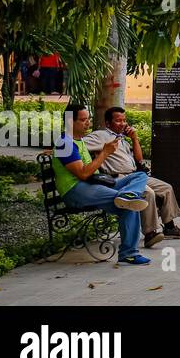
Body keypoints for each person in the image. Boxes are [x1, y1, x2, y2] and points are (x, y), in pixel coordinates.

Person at [52, 104, 152, 265]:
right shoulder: (65, 143)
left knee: (139, 176)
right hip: (76, 190)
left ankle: (128, 195)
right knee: (130, 206)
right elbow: (83, 173)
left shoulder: (78, 141)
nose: (88, 123)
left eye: (88, 119)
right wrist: (105, 153)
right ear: (71, 122)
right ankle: (128, 254)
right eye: (83, 120)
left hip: (94, 185)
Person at [83, 107, 180, 249]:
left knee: (166, 188)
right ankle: (149, 233)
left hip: (135, 175)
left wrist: (134, 138)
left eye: (124, 120)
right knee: (148, 193)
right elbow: (79, 143)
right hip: (119, 178)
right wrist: (59, 148)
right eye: (118, 121)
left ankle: (169, 226)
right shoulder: (100, 136)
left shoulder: (122, 139)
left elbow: (139, 160)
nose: (122, 124)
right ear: (108, 123)